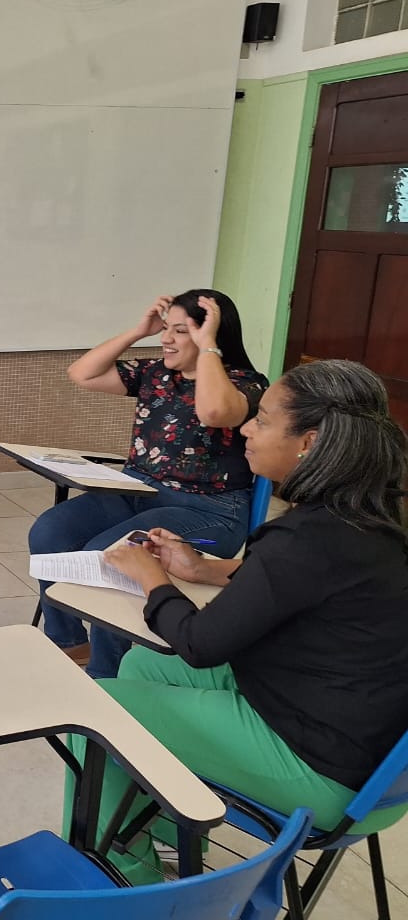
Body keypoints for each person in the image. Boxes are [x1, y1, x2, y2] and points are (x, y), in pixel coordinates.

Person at [76, 359, 408, 885]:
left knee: (97, 710)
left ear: (309, 443)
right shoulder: (370, 516)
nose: (246, 429)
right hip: (367, 750)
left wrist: (151, 578)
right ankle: (176, 830)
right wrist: (202, 569)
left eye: (264, 420)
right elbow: (303, 584)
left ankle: (120, 877)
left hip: (322, 770)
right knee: (142, 665)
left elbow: (199, 643)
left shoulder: (307, 537)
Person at [30, 289, 269, 678]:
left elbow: (214, 412)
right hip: (137, 490)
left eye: (180, 331)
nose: (166, 339)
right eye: (165, 329)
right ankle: (69, 641)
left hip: (210, 510)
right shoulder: (157, 374)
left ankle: (107, 672)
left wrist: (208, 348)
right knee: (50, 530)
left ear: (211, 335)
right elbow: (82, 373)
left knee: (111, 554)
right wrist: (138, 331)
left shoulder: (246, 384)